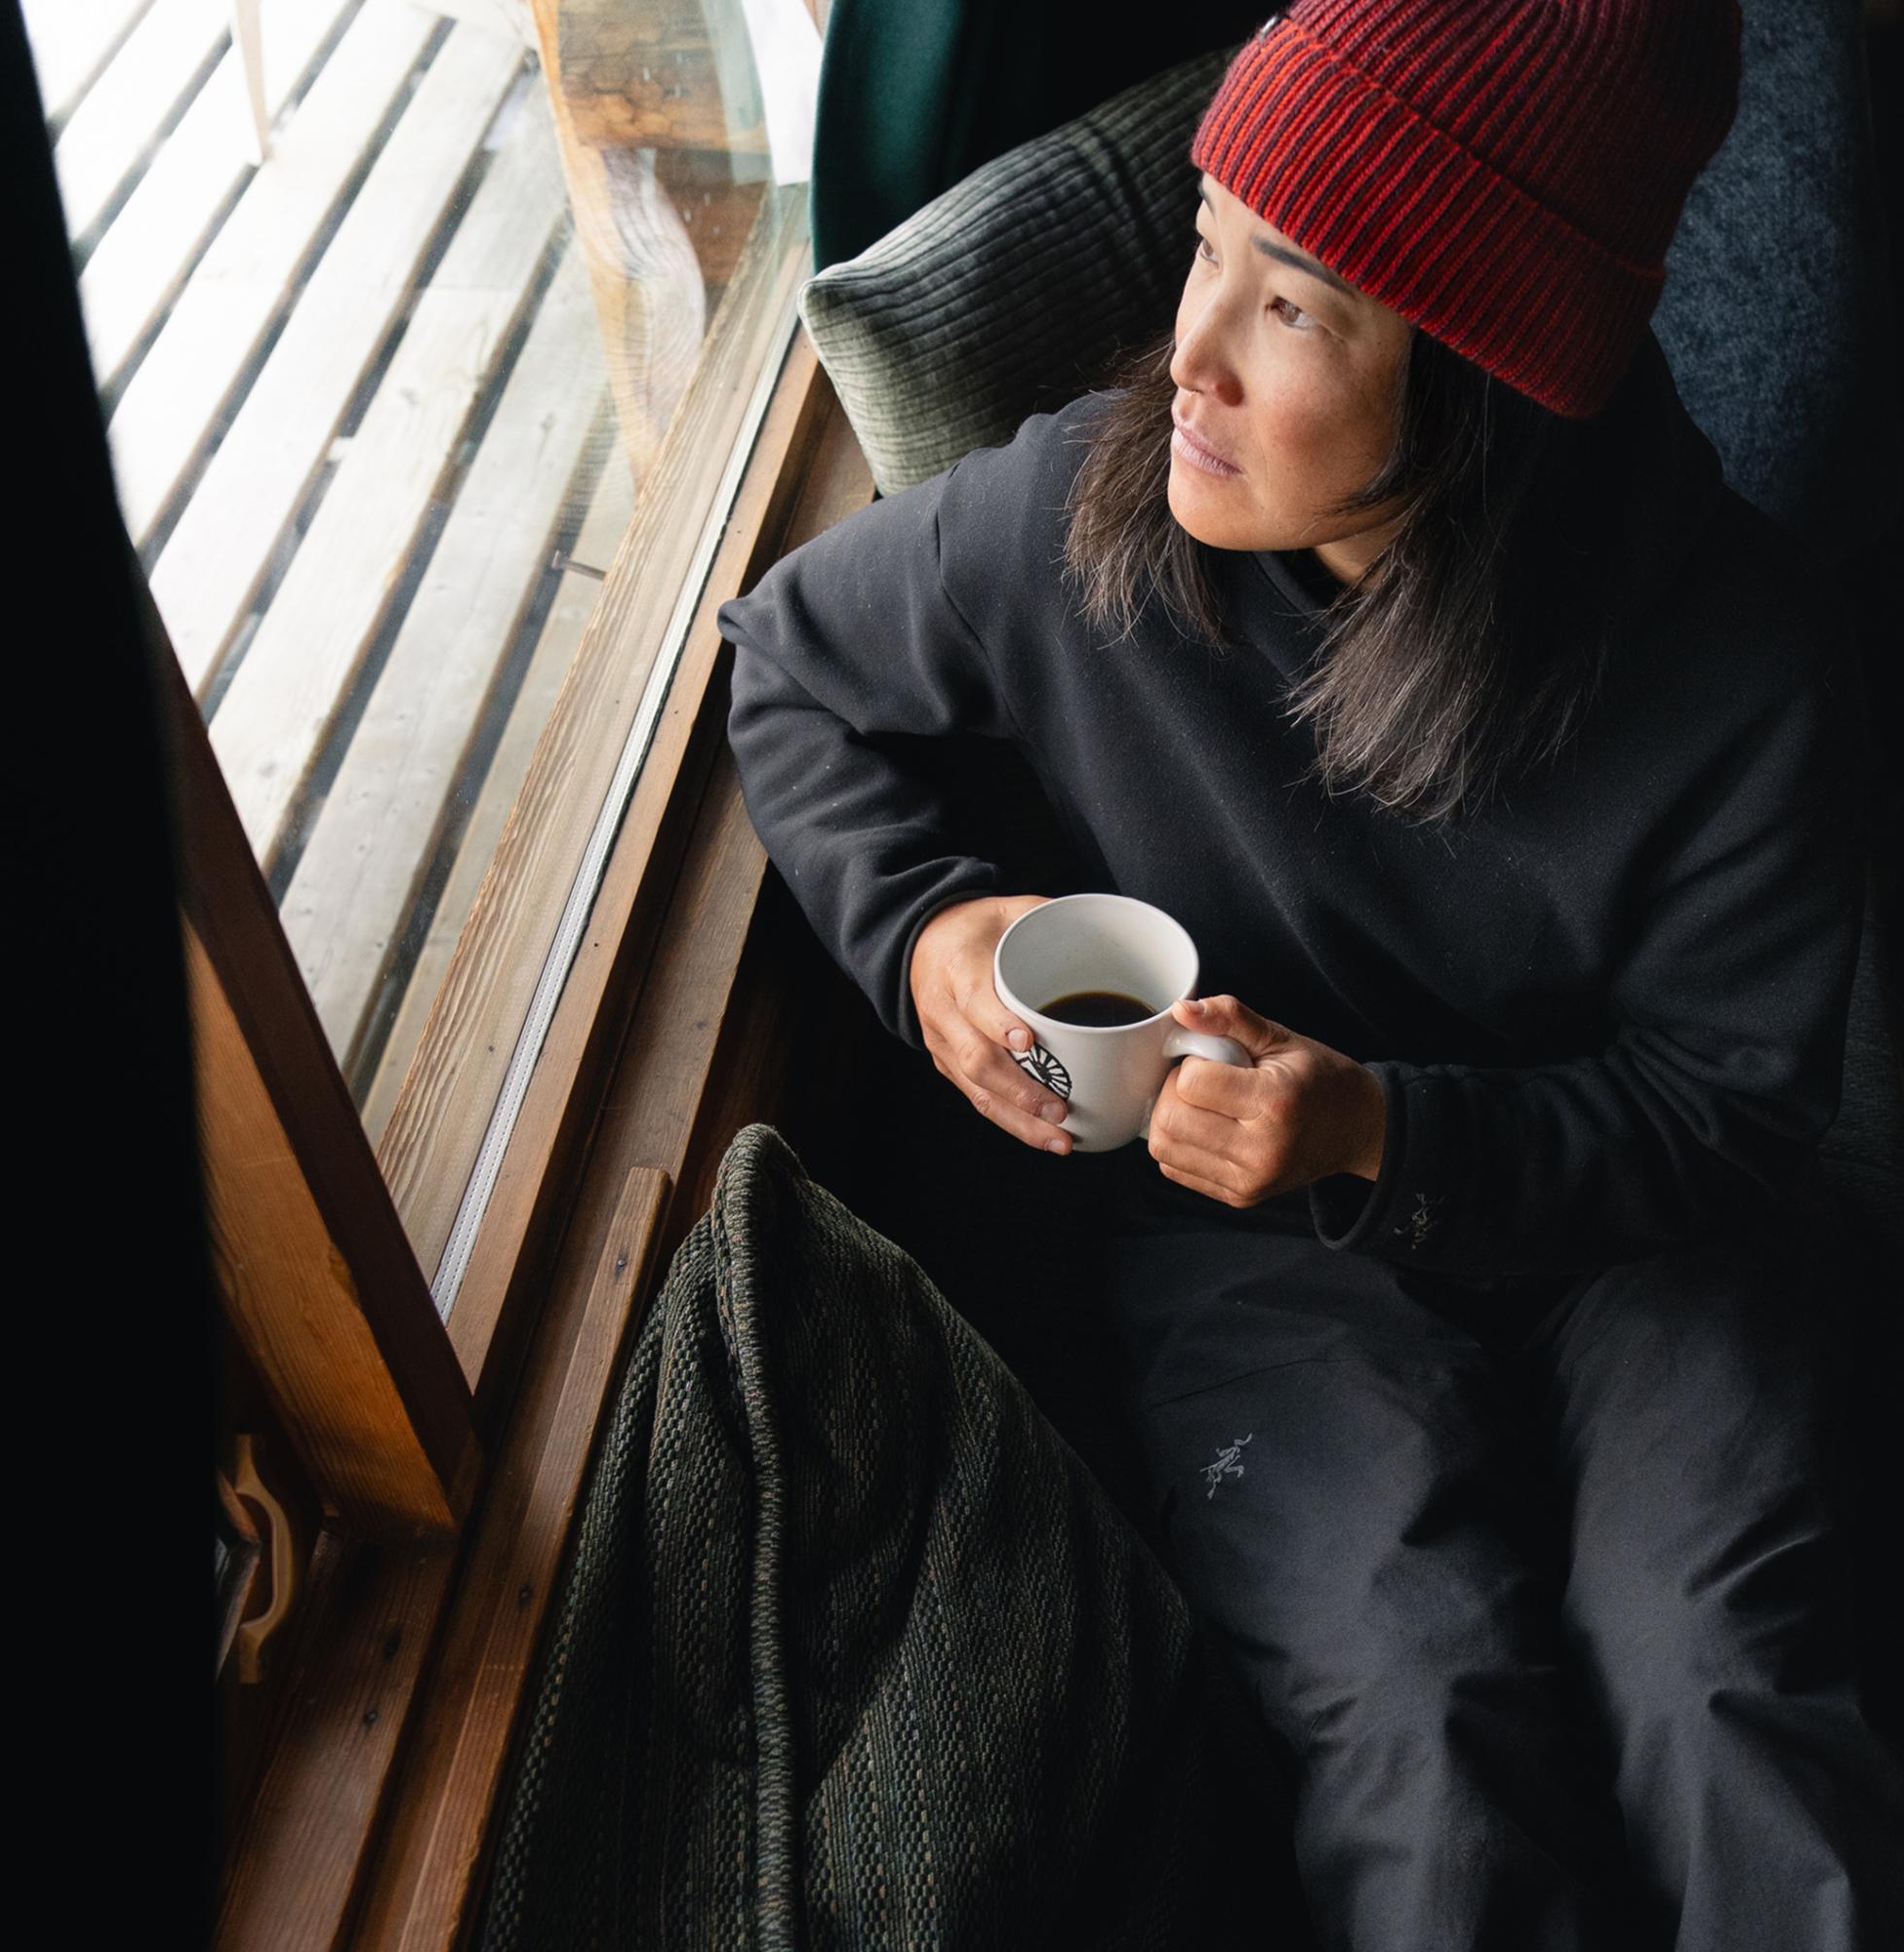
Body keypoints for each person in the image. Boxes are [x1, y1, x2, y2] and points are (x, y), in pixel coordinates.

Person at [716, 2, 1904, 1946]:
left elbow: (1728, 1116)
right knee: (1413, 1709)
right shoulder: (1075, 526)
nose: (1188, 352)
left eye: (1292, 306)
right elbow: (788, 668)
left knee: (1719, 1686)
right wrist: (919, 926)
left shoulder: (1743, 667)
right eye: (1208, 243)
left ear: (1484, 376)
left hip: (1656, 1245)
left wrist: (1377, 1131)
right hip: (1247, 1253)